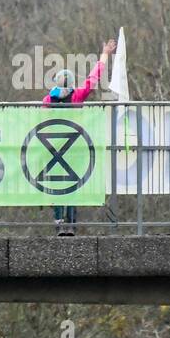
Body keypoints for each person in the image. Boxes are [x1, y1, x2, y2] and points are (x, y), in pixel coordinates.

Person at [43, 37, 116, 236]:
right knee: (73, 184)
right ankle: (71, 224)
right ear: (72, 83)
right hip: (74, 145)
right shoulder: (76, 96)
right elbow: (93, 79)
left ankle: (58, 221)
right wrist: (105, 55)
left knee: (57, 183)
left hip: (52, 146)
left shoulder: (48, 99)